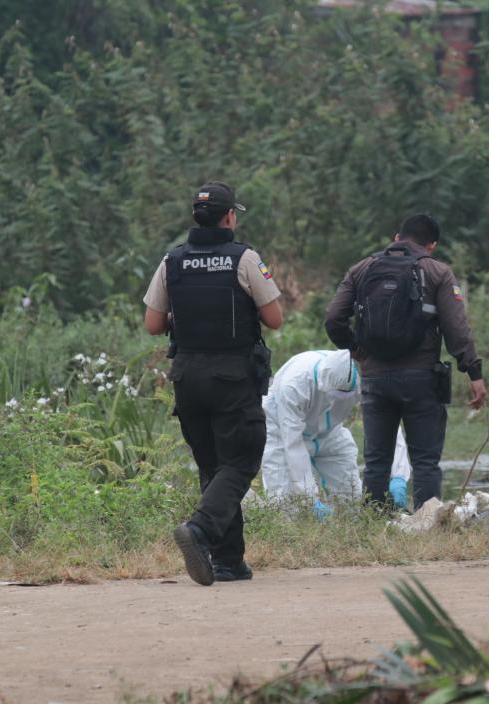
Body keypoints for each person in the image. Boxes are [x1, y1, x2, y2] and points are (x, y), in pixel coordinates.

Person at [143, 181, 283, 585]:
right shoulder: (245, 259)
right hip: (232, 378)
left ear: (194, 218)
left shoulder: (172, 261)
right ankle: (200, 529)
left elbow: (153, 325)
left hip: (187, 377)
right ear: (229, 217)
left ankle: (227, 561)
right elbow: (274, 319)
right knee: (241, 459)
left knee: (214, 466)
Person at [325, 213, 487, 511]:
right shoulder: (437, 272)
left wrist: (353, 347)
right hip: (421, 378)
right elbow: (456, 328)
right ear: (432, 245)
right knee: (425, 460)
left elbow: (334, 318)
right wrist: (473, 371)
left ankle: (374, 521)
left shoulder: (362, 269)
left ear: (396, 238)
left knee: (376, 461)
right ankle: (426, 523)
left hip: (374, 377)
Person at [260, 349, 413, 513]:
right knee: (287, 507)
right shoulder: (294, 384)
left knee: (352, 504)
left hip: (330, 432)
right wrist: (310, 499)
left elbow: (385, 425)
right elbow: (293, 445)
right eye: (332, 394)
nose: (335, 400)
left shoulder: (365, 379)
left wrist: (398, 475)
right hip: (281, 434)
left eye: (343, 395)